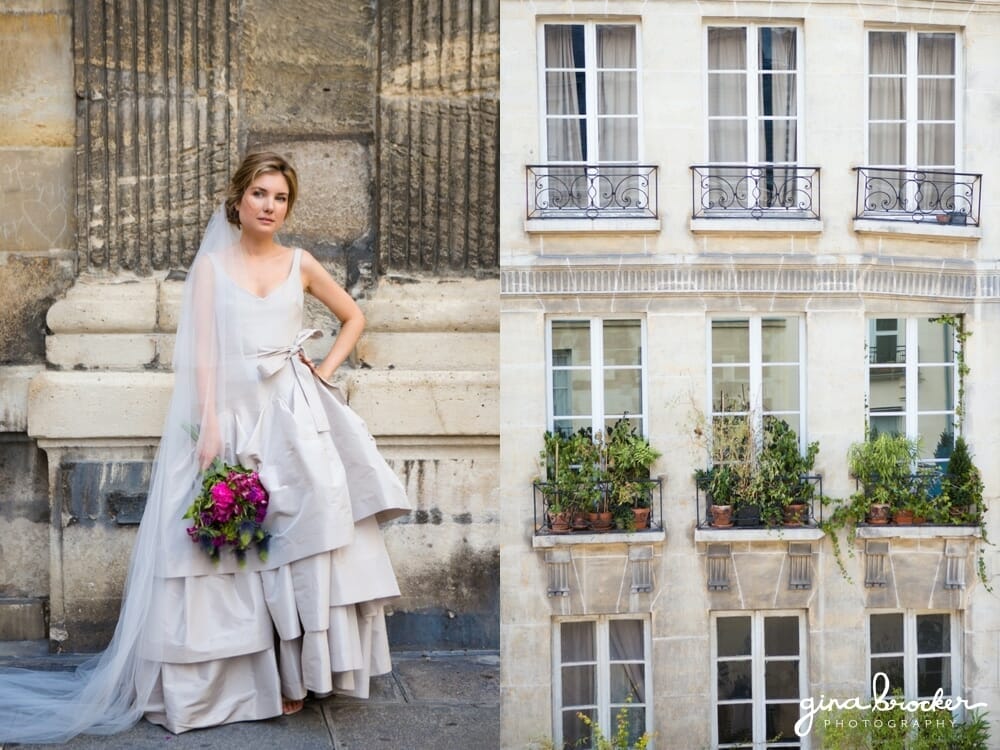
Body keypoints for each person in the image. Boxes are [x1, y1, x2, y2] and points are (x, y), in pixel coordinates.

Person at [0, 152, 411, 741]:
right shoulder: (213, 270)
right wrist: (212, 422)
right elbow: (202, 356)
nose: (270, 206)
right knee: (240, 541)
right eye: (260, 195)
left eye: (281, 198)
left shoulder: (301, 262)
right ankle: (254, 675)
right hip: (235, 414)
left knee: (305, 536)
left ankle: (299, 675)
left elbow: (353, 317)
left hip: (294, 412)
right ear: (239, 199)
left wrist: (322, 372)